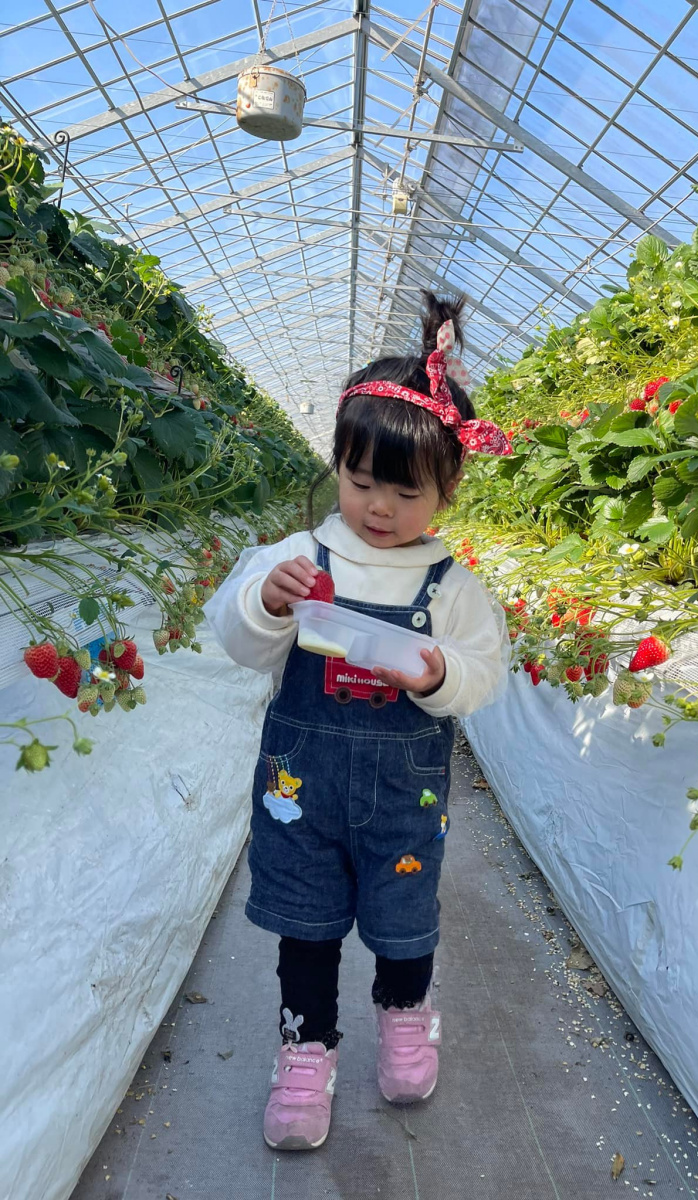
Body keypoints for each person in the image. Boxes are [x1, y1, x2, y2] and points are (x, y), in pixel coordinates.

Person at [205, 292, 511, 1151]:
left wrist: (440, 669)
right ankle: (307, 1051)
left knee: (403, 915)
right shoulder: (299, 560)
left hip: (402, 801)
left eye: (404, 491)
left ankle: (407, 1018)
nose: (378, 506)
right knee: (306, 926)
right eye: (359, 480)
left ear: (447, 490)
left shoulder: (451, 589)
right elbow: (238, 639)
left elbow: (485, 673)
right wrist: (266, 603)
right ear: (337, 464)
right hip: (298, 797)